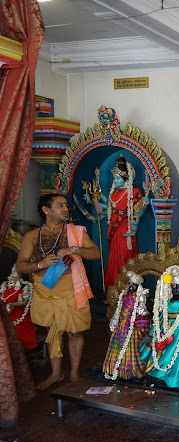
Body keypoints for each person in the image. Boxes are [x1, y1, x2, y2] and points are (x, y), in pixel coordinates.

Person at [16, 193, 101, 389]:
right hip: (45, 289)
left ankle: (74, 374)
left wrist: (75, 250)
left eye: (65, 206)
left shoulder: (76, 232)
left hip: (71, 288)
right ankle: (56, 373)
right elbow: (21, 266)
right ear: (46, 210)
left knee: (75, 333)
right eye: (59, 205)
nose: (65, 209)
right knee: (52, 332)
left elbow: (95, 253)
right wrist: (40, 264)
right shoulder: (31, 236)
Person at [140, 265, 179, 388]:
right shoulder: (167, 299)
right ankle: (159, 370)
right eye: (173, 286)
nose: (176, 290)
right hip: (165, 326)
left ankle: (173, 373)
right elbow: (160, 311)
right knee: (160, 349)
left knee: (176, 351)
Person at [103, 155, 149, 287]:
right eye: (114, 178)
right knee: (113, 257)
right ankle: (113, 288)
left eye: (118, 178)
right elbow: (109, 208)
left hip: (125, 229)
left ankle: (127, 289)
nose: (115, 181)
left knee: (124, 255)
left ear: (126, 178)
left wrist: (142, 208)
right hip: (113, 226)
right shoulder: (115, 193)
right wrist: (98, 205)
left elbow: (140, 210)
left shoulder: (134, 192)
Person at [103, 271, 150, 380]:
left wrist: (141, 311)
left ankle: (130, 369)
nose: (131, 286)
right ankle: (117, 368)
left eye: (134, 285)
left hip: (132, 326)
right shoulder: (124, 294)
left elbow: (144, 311)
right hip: (122, 324)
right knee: (118, 345)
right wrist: (114, 320)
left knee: (131, 347)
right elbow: (119, 309)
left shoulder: (141, 295)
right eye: (130, 284)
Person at [1, 264, 37, 349]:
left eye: (12, 282)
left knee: (18, 331)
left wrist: (12, 304)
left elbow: (22, 302)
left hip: (17, 314)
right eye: (9, 281)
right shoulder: (5, 289)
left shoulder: (19, 291)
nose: (10, 283)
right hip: (6, 312)